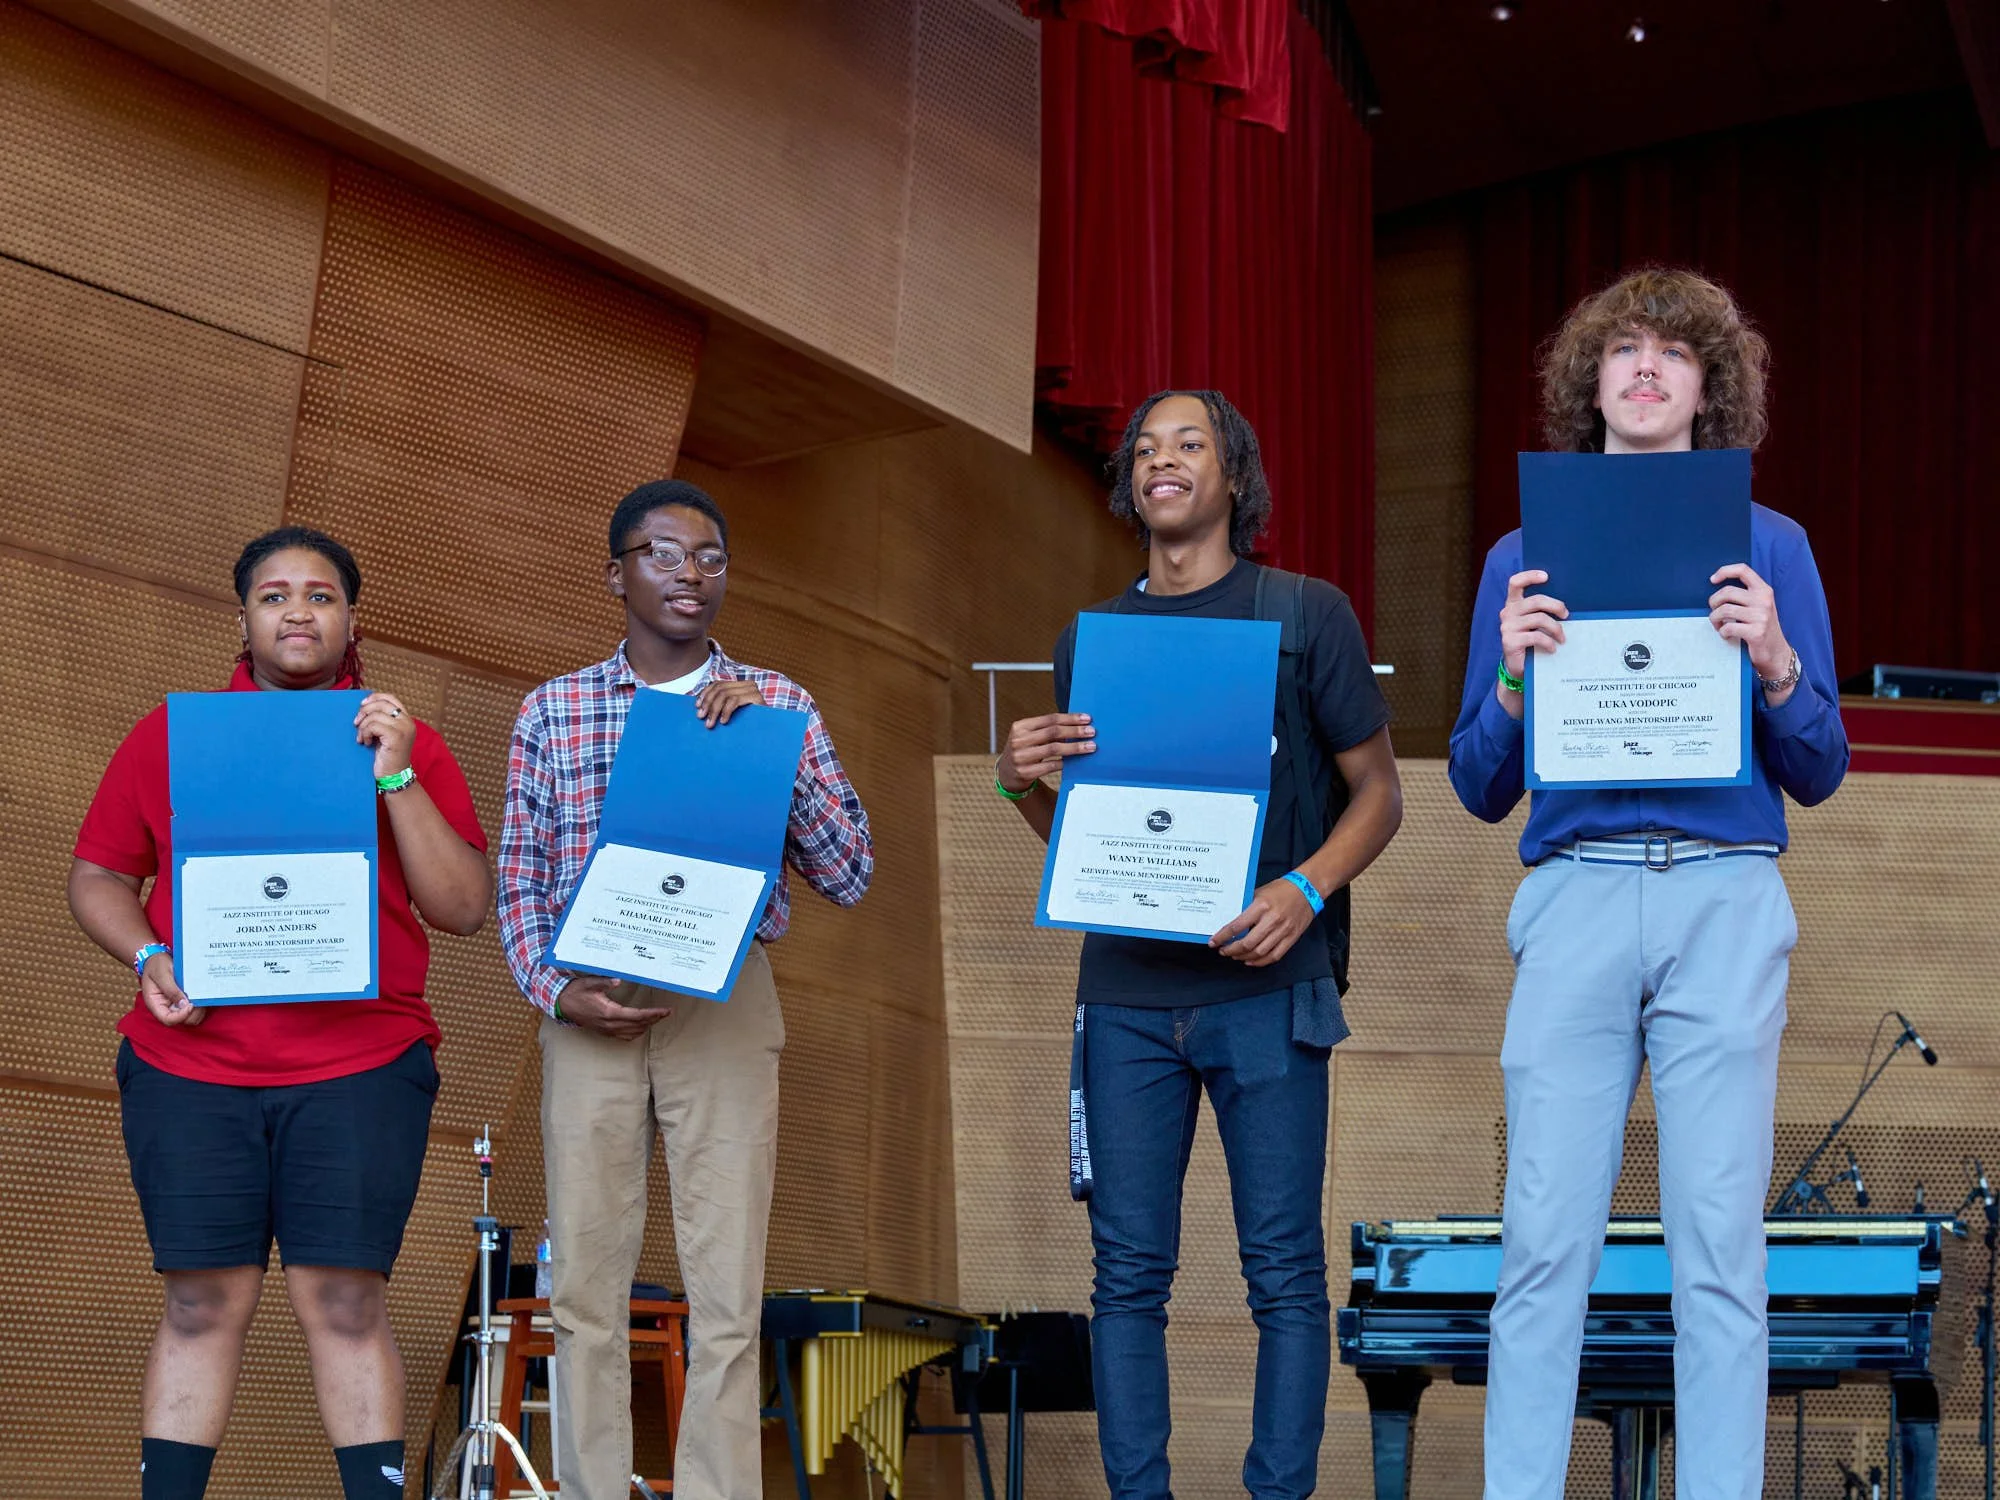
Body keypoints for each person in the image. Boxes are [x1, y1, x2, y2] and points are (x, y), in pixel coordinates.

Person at [1449, 267, 1850, 1500]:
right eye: (1622, 348)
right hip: (1572, 893)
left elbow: (1820, 766)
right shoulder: (1519, 557)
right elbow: (1475, 783)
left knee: (1719, 1249)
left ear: (1705, 387)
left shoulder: (1771, 545)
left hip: (1721, 894)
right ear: (1589, 384)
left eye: (1671, 352)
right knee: (1540, 1244)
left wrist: (1774, 659)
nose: (1643, 366)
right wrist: (1509, 679)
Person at [996, 391, 1402, 1500]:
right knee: (1126, 1280)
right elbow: (1087, 845)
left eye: (1189, 444)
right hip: (1125, 997)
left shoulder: (1304, 613)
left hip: (1269, 988)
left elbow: (1379, 794)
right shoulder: (1089, 641)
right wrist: (1018, 783)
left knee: (1283, 1275)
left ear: (1234, 477)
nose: (1160, 460)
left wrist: (1305, 888)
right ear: (1130, 484)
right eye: (1144, 448)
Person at [68, 526, 493, 1500]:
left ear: (351, 620)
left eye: (320, 594)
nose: (298, 611)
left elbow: (463, 907)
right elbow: (97, 876)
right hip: (189, 1068)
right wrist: (148, 954)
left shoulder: (405, 741)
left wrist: (394, 773)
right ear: (244, 620)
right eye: (274, 595)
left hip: (361, 1067)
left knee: (345, 1301)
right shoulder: (171, 736)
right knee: (199, 1303)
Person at [496, 477, 873, 1500]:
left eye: (708, 557)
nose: (688, 574)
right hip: (588, 1002)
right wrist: (555, 992)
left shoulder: (779, 703)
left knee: (727, 1294)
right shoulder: (553, 709)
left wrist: (773, 755)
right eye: (661, 554)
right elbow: (520, 878)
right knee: (583, 1290)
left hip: (726, 997)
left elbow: (849, 873)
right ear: (614, 573)